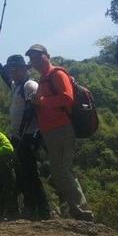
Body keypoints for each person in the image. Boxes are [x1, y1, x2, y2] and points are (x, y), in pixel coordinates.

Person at [25, 44, 94, 222]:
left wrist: (41, 101)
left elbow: (67, 98)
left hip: (61, 129)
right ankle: (76, 210)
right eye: (31, 58)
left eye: (38, 56)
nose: (35, 60)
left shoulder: (57, 74)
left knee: (62, 171)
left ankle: (82, 211)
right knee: (58, 172)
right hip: (51, 132)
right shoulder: (43, 79)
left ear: (47, 56)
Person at [0, 54, 50, 220]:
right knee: (21, 172)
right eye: (11, 69)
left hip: (28, 136)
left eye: (16, 69)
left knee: (30, 172)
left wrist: (26, 135)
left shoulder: (29, 85)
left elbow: (35, 110)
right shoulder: (17, 85)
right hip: (18, 137)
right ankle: (30, 206)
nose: (12, 72)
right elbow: (6, 78)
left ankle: (42, 209)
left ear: (24, 70)